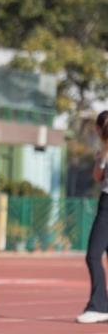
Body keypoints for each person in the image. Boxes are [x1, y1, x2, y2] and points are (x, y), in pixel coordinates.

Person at [76, 110, 108, 324]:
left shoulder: (105, 151)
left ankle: (98, 306)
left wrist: (101, 157)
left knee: (93, 255)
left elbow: (97, 177)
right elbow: (98, 177)